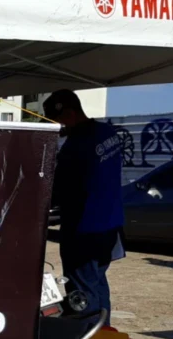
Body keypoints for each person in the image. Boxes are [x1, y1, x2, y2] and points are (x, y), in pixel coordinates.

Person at [44, 89, 125, 325]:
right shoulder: (106, 132)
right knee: (98, 284)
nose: (59, 129)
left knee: (82, 291)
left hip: (84, 230)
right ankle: (104, 334)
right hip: (110, 227)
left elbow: (57, 190)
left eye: (57, 122)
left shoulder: (75, 146)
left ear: (68, 113)